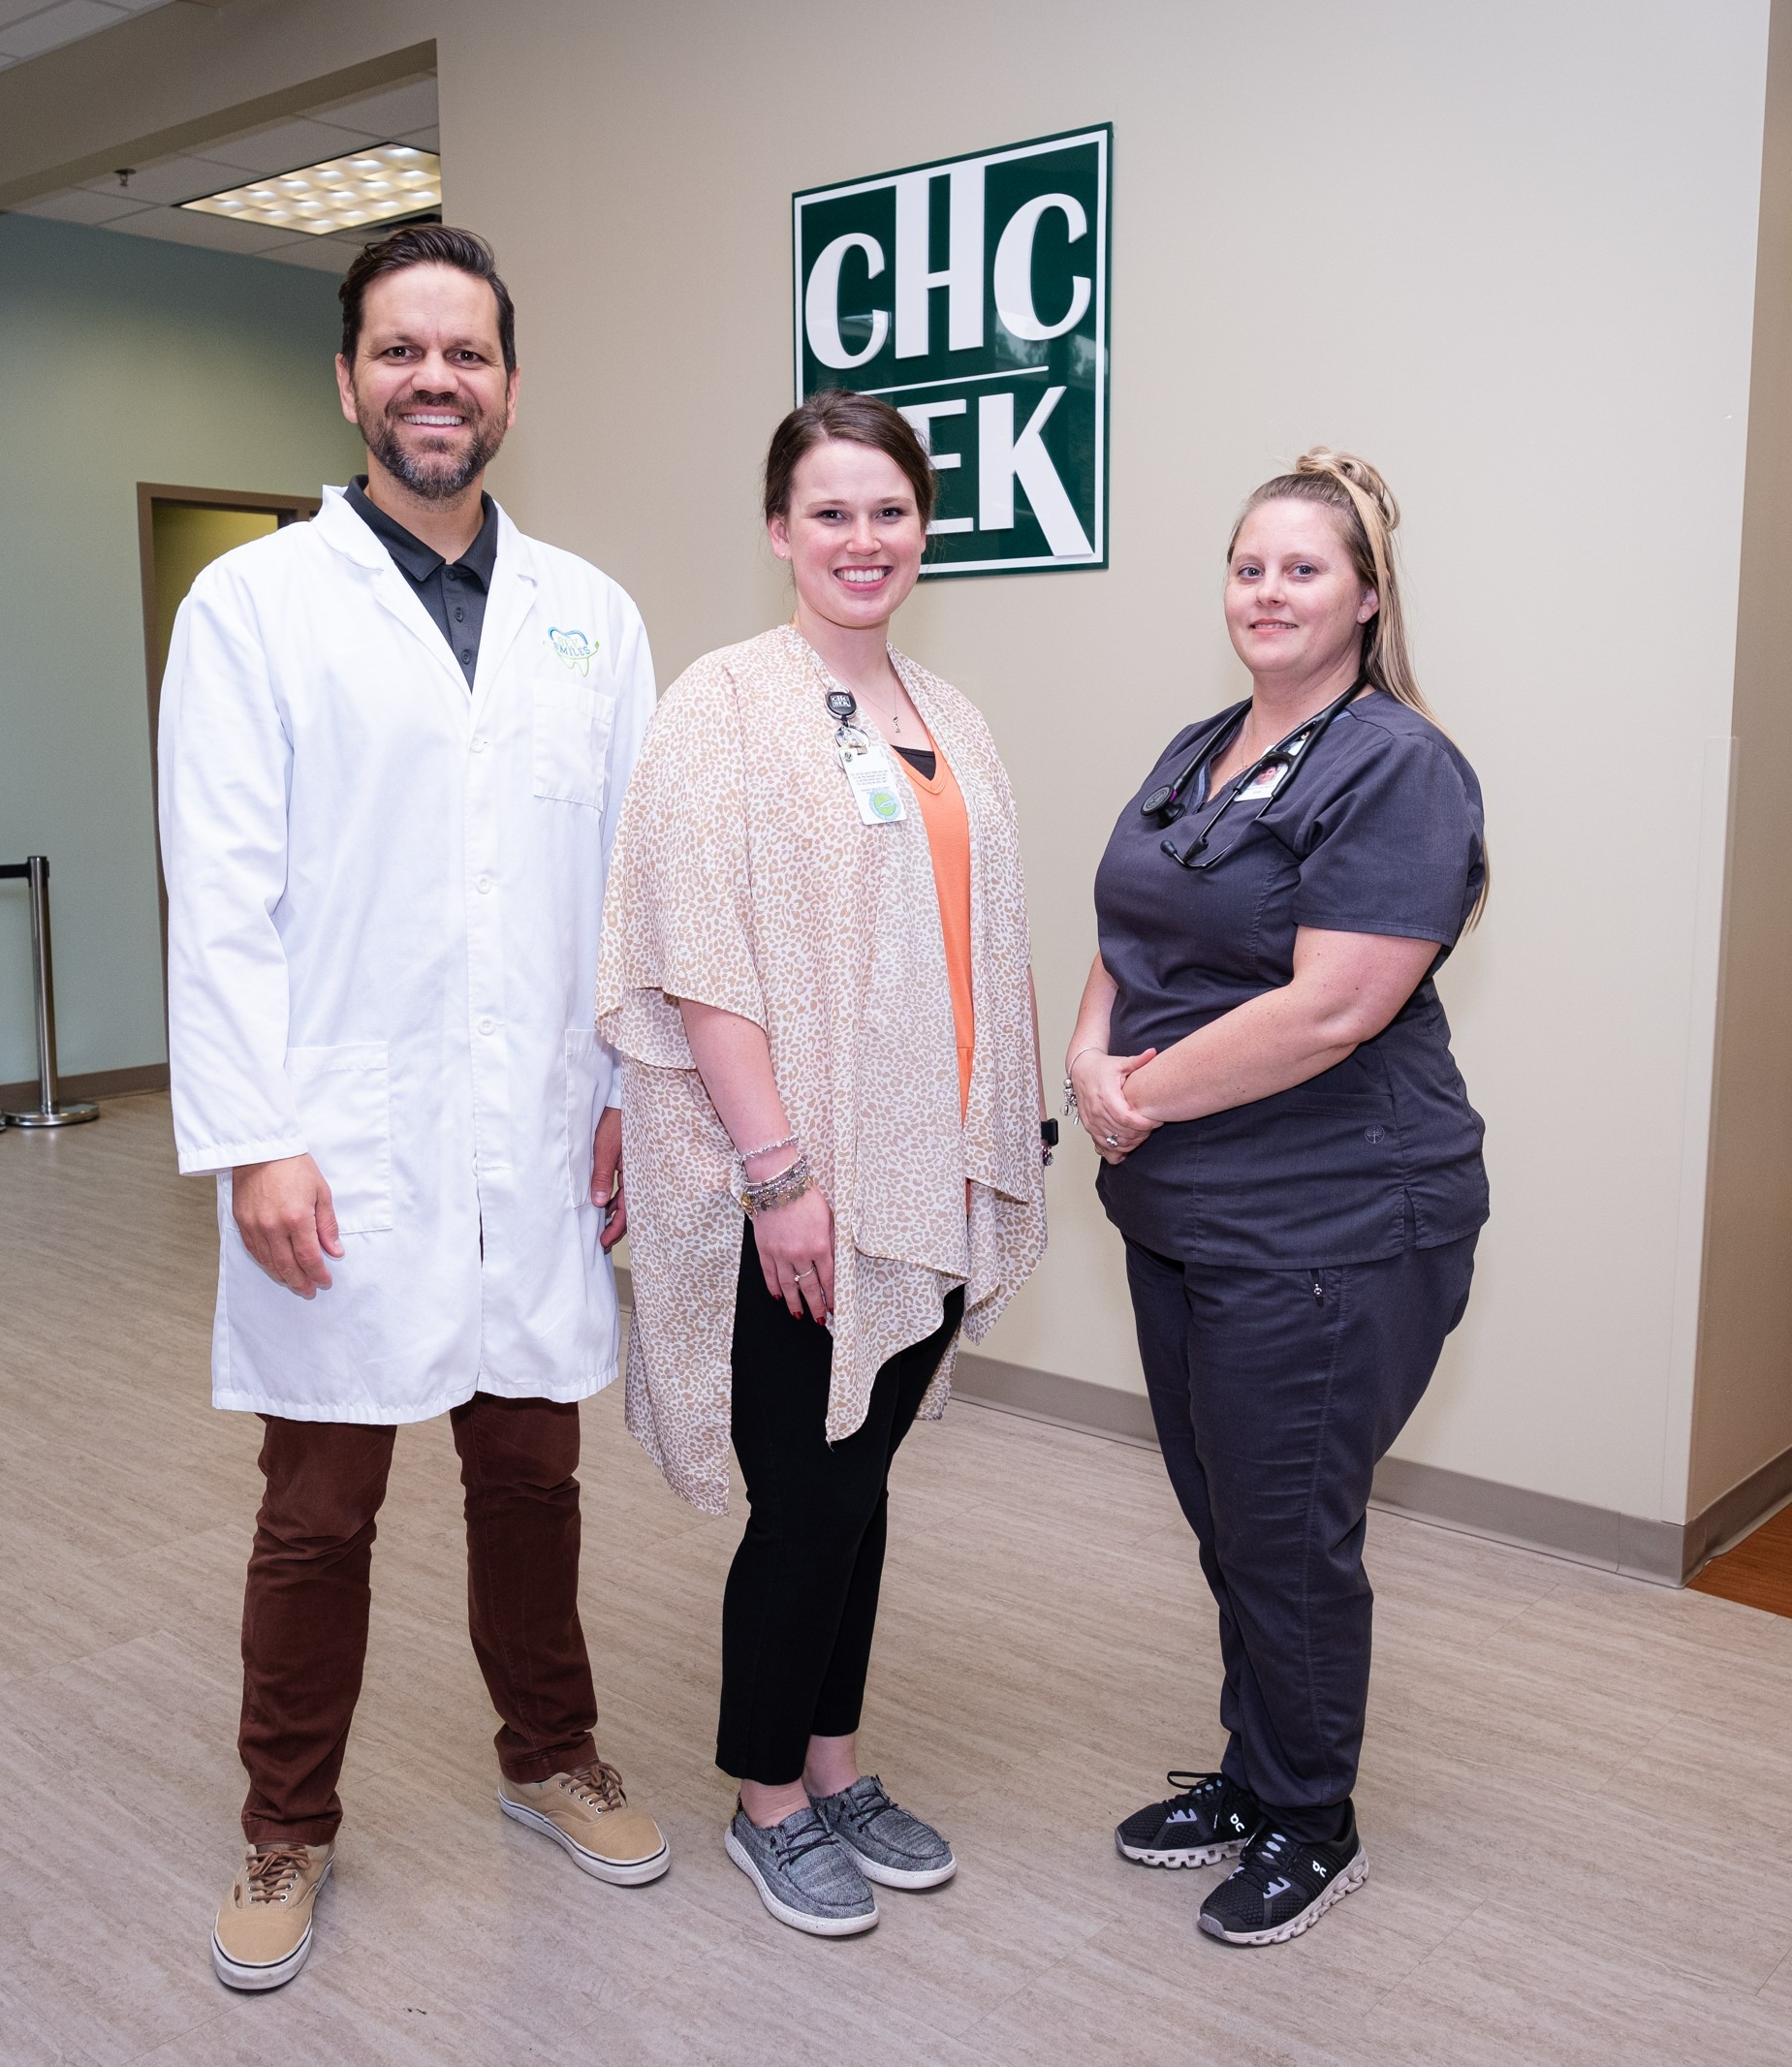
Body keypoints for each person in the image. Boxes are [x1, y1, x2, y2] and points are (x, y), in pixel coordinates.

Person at [159, 224, 668, 1994]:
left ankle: (550, 1756)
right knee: (320, 1501)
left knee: (534, 1476)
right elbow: (217, 893)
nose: (432, 380)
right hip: (341, 1135)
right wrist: (255, 1137)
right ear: (348, 378)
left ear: (509, 385)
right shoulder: (253, 606)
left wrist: (623, 1091)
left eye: (464, 353)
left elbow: (626, 894)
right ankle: (284, 1822)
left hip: (534, 1130)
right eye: (399, 351)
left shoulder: (592, 617)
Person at [596, 389, 1048, 1936]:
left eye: (891, 510)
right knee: (806, 1496)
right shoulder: (720, 703)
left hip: (924, 1175)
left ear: (924, 528)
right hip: (795, 1186)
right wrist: (780, 1177)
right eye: (832, 511)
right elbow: (698, 959)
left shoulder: (948, 711)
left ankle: (836, 1763)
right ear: (779, 530)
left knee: (859, 1482)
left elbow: (977, 943)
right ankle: (765, 1796)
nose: (865, 538)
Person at [1069, 449, 1487, 1948]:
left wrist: (1136, 1090)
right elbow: (1128, 914)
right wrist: (1086, 1049)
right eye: (1248, 564)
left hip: (1334, 1220)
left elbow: (1330, 1009)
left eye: (1301, 568)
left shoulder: (1398, 764)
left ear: (1364, 598)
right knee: (1229, 1518)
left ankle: (1311, 1815)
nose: (1266, 590)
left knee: (1285, 1527)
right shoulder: (1203, 745)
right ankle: (1254, 1777)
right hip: (1184, 1214)